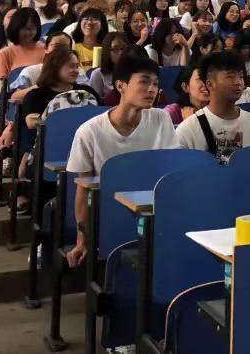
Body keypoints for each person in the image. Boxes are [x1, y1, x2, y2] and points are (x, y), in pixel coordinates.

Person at [63, 54, 178, 267]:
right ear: (120, 85)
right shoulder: (89, 132)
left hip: (152, 214)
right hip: (109, 216)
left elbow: (171, 173)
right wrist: (82, 240)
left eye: (155, 84)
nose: (152, 89)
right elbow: (83, 191)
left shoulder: (160, 118)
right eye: (144, 82)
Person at [175, 51, 250, 162]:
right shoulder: (188, 130)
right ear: (210, 84)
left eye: (241, 76)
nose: (238, 82)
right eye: (230, 76)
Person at [21, 50, 100, 130]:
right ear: (55, 67)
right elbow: (31, 123)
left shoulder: (88, 91)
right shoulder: (36, 95)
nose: (76, 70)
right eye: (71, 66)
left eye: (77, 66)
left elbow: (101, 115)